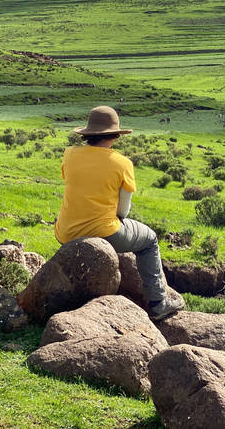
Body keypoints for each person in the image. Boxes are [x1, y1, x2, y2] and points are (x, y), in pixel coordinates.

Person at [54, 105, 184, 321]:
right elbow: (123, 210)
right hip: (104, 231)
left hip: (65, 231)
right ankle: (158, 303)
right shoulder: (122, 163)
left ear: (88, 134)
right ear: (115, 135)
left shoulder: (70, 154)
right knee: (149, 240)